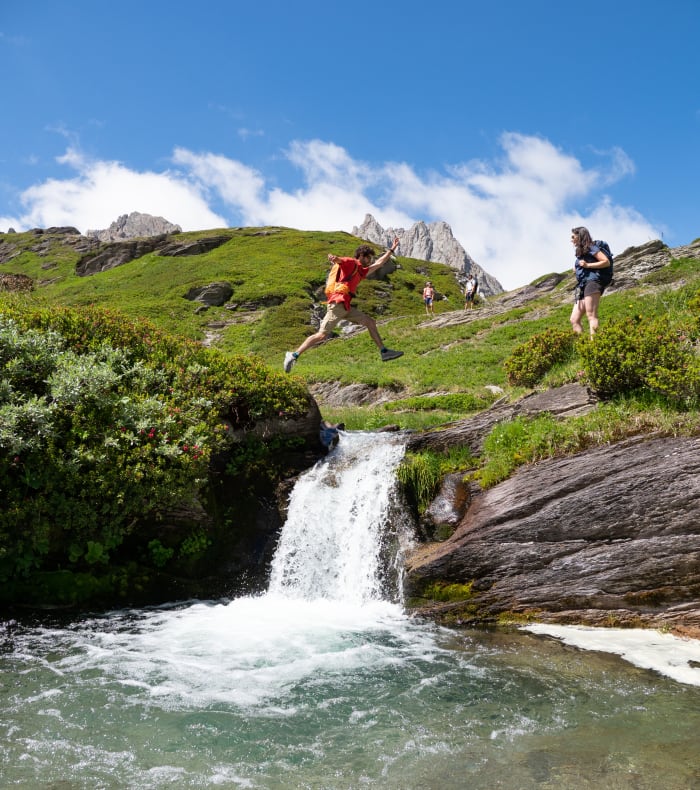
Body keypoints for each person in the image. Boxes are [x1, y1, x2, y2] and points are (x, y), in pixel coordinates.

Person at [283, 238, 404, 373]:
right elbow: (341, 261)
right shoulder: (352, 263)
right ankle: (293, 355)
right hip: (337, 305)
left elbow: (380, 263)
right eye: (369, 258)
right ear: (362, 256)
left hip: (345, 307)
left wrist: (392, 249)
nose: (370, 261)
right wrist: (335, 258)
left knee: (370, 322)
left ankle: (384, 352)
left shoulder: (361, 271)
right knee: (322, 335)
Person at [569, 226, 611, 336]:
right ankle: (584, 347)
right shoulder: (581, 251)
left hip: (593, 282)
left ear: (580, 236)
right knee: (574, 319)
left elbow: (606, 262)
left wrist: (588, 265)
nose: (571, 239)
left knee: (591, 315)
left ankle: (594, 347)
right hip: (583, 285)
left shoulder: (591, 247)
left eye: (573, 236)